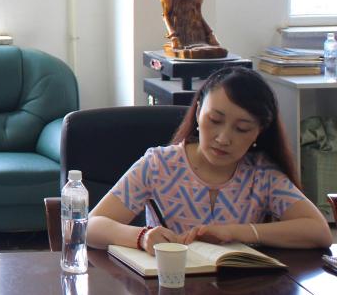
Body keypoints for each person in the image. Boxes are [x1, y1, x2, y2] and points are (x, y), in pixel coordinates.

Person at [88, 66, 330, 254]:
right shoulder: (159, 165)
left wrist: (237, 232)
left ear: (259, 132)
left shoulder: (262, 174)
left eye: (242, 129)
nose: (223, 139)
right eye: (215, 120)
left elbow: (319, 231)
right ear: (198, 111)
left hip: (241, 294)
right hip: (169, 289)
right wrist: (142, 237)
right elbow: (90, 226)